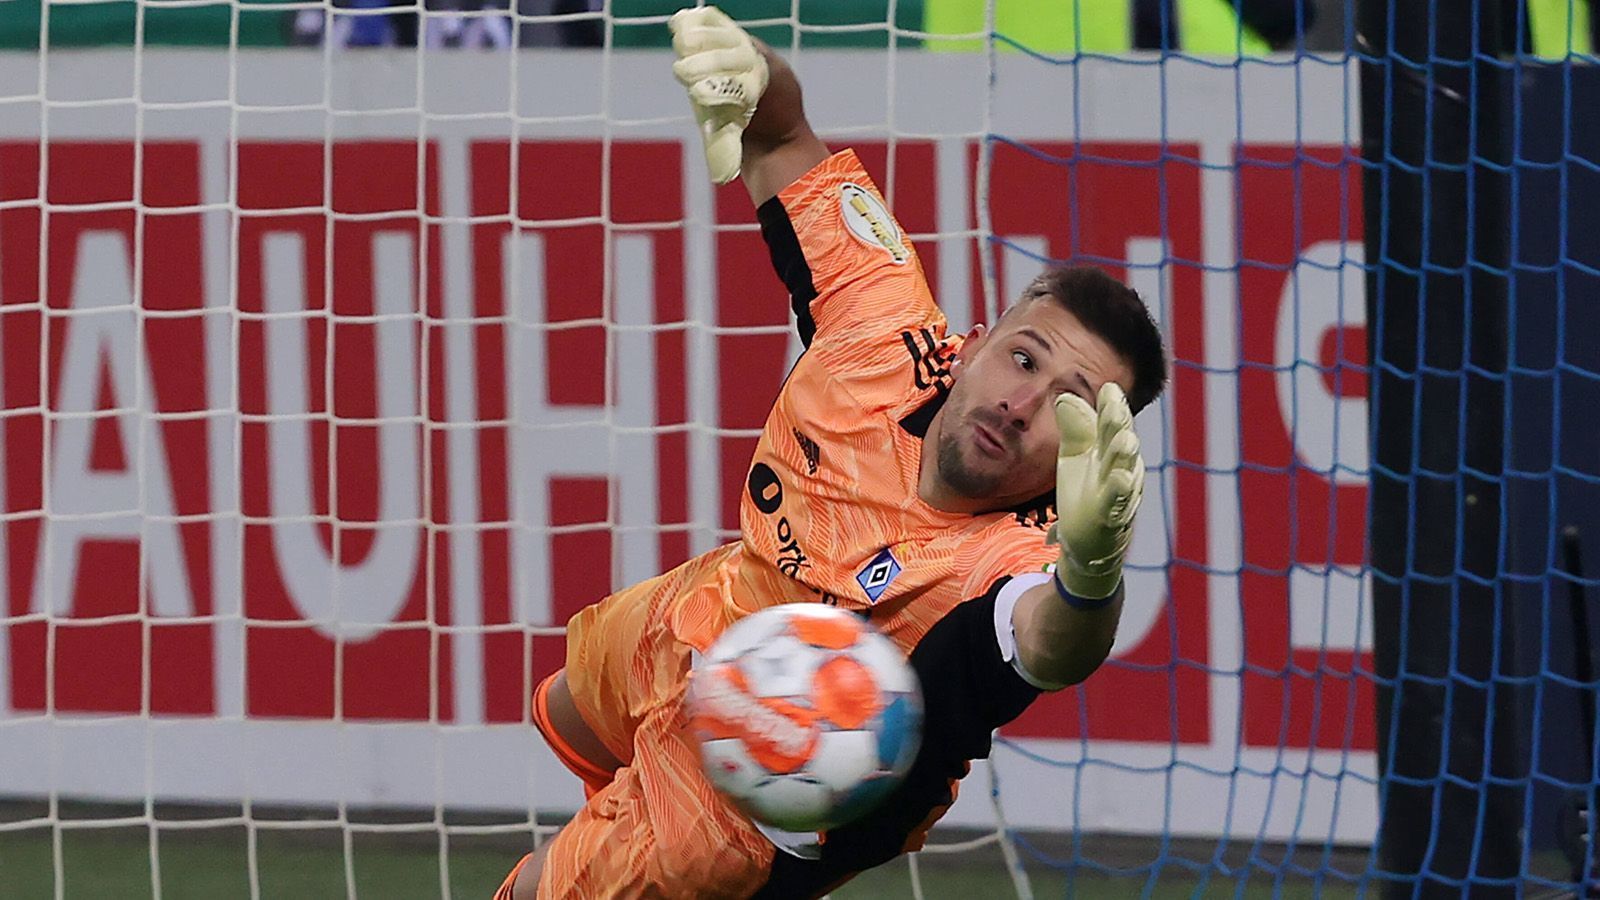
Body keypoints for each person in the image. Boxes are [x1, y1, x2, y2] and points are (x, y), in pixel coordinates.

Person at [496, 6, 1167, 897]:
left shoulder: (1017, 563)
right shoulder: (880, 325)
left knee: (550, 886)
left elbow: (1052, 646)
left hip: (766, 801)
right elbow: (781, 132)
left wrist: (1091, 575)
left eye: (1067, 405)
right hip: (709, 610)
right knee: (574, 713)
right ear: (972, 342)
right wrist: (752, 70)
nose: (1021, 401)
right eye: (1022, 357)